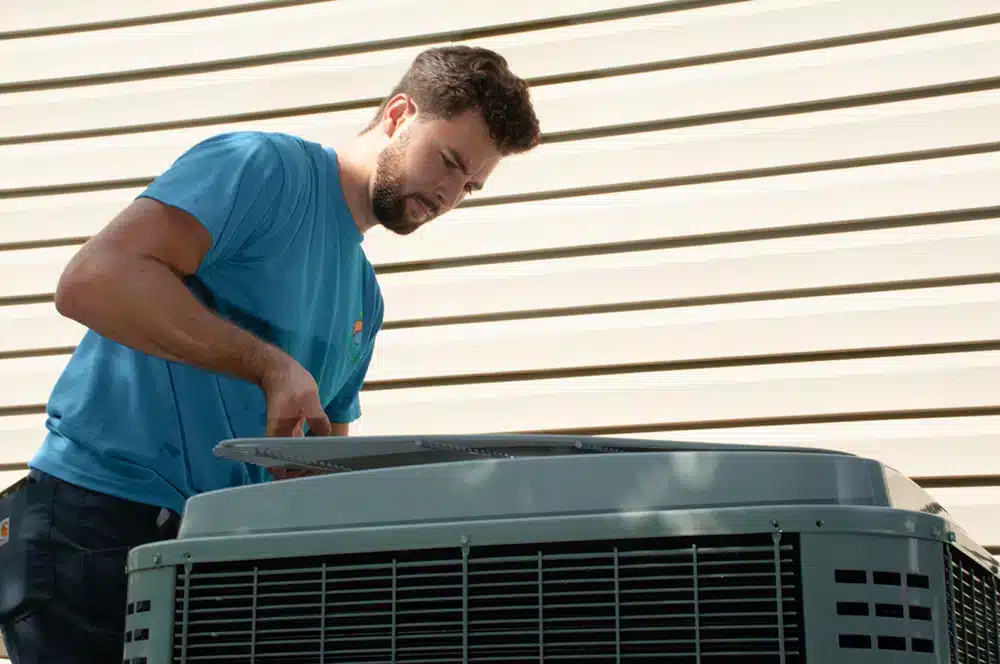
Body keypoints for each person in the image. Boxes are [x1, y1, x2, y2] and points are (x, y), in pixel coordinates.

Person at [0, 44, 541, 664]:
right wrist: (268, 365)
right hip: (96, 530)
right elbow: (91, 280)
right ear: (398, 114)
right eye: (447, 161)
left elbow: (318, 473)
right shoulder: (262, 169)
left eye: (469, 186)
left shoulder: (364, 296)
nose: (449, 194)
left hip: (220, 564)